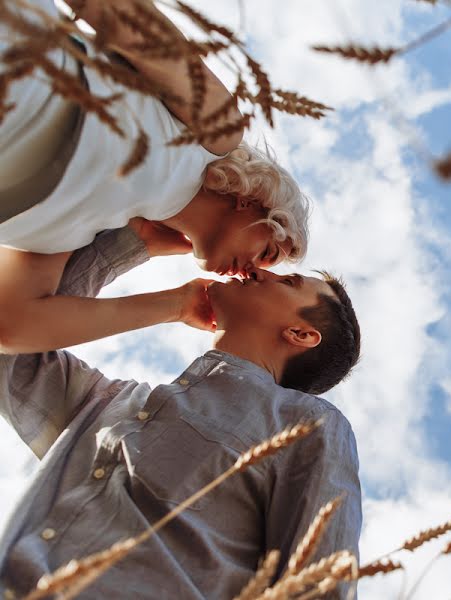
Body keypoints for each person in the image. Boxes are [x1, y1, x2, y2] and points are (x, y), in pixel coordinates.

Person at [0, 223, 362, 598]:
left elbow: (321, 584)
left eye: (288, 283)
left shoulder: (309, 424)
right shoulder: (115, 402)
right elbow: (12, 337)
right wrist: (143, 252)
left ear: (301, 334)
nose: (257, 270)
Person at [0, 0, 310, 353]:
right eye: (267, 253)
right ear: (254, 202)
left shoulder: (77, 231)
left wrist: (176, 305)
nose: (250, 274)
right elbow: (116, 10)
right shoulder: (214, 132)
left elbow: (10, 326)